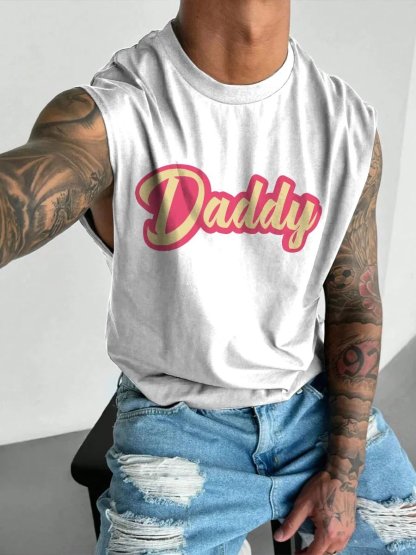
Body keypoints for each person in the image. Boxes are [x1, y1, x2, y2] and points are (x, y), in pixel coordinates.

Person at [1, 1, 416, 554]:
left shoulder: (347, 126)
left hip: (310, 408)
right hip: (175, 428)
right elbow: (21, 194)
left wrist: (342, 472)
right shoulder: (113, 114)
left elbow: (354, 305)